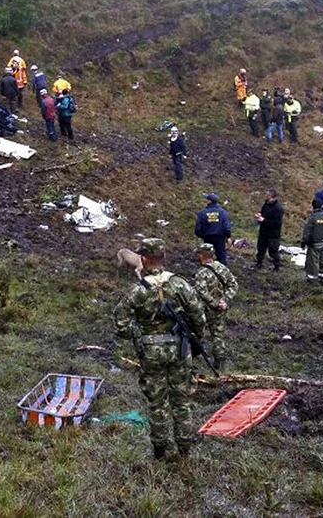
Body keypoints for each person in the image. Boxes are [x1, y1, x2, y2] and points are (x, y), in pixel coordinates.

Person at [113, 237, 205, 459]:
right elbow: (199, 316)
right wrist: (194, 336)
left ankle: (160, 449)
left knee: (157, 401)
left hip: (150, 351)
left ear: (143, 259)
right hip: (180, 350)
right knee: (182, 399)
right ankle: (184, 447)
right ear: (163, 257)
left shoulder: (137, 290)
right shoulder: (180, 284)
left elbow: (121, 323)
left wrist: (138, 335)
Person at [192, 242, 238, 371]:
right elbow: (233, 285)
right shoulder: (222, 267)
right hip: (221, 309)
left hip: (205, 309)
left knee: (198, 332)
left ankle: (195, 357)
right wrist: (225, 300)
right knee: (218, 334)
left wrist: (214, 303)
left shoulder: (201, 273)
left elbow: (202, 291)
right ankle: (219, 361)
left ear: (202, 255)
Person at [300, 200, 323, 282]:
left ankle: (312, 277)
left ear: (312, 207)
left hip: (315, 243)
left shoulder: (312, 218)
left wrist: (304, 242)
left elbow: (307, 231)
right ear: (321, 206)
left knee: (313, 261)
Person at [194, 194, 232, 266]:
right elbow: (226, 227)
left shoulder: (202, 212)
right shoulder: (222, 212)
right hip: (220, 238)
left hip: (207, 238)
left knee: (206, 258)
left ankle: (208, 273)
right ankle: (222, 274)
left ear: (209, 201)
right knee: (221, 257)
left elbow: (197, 229)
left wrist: (203, 236)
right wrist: (227, 236)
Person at [254, 189, 284, 270]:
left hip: (273, 234)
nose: (265, 196)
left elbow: (277, 223)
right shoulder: (266, 204)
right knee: (260, 249)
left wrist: (264, 220)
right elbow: (264, 213)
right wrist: (259, 215)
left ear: (271, 196)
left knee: (273, 251)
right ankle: (258, 263)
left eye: (267, 195)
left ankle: (276, 266)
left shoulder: (278, 208)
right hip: (263, 232)